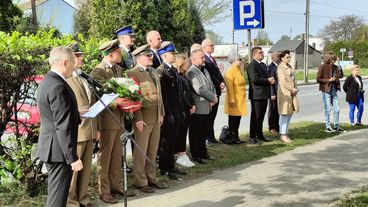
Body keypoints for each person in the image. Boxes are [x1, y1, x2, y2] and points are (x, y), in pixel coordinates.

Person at [36, 46, 83, 207]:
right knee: (57, 200)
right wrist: (72, 157)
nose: (74, 65)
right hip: (59, 152)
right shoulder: (58, 86)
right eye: (72, 62)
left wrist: (76, 113)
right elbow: (62, 126)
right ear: (64, 63)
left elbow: (54, 115)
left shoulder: (47, 81)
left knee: (57, 196)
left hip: (53, 148)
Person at [90, 39, 135, 204]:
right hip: (107, 120)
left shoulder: (118, 69)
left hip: (119, 119)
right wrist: (118, 102)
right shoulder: (98, 71)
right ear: (110, 53)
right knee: (105, 156)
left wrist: (129, 101)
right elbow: (98, 96)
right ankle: (104, 190)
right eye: (118, 52)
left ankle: (116, 186)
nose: (120, 54)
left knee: (117, 156)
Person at [127, 44, 167, 193]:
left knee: (152, 151)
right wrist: (138, 118)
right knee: (141, 152)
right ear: (139, 58)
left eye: (151, 55)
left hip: (156, 117)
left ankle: (152, 178)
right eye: (148, 56)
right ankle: (140, 181)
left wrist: (161, 113)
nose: (151, 58)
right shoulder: (132, 73)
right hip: (143, 119)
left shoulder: (153, 72)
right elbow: (134, 97)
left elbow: (159, 95)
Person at [66, 42, 98, 207]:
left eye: (80, 55)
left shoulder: (83, 77)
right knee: (74, 171)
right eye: (77, 56)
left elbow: (93, 104)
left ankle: (83, 199)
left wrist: (97, 128)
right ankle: (71, 202)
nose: (80, 58)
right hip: (77, 130)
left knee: (85, 169)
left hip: (90, 129)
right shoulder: (67, 79)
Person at [156, 41, 186, 179]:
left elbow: (179, 94)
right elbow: (163, 96)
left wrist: (181, 110)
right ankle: (164, 167)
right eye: (172, 54)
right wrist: (167, 113)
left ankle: (172, 166)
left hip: (177, 111)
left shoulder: (173, 70)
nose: (174, 55)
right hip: (169, 113)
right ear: (164, 56)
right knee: (166, 142)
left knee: (173, 141)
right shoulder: (161, 71)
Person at [187, 50, 217, 164]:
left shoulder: (204, 70)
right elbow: (199, 89)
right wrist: (212, 98)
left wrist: (213, 96)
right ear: (194, 59)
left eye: (204, 57)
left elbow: (211, 85)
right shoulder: (192, 72)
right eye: (201, 58)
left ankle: (204, 153)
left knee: (204, 132)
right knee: (196, 133)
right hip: (198, 107)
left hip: (207, 106)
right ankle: (196, 155)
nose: (204, 59)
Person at [247, 47, 275, 144]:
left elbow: (265, 77)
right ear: (254, 54)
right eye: (260, 52)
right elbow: (254, 79)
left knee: (261, 116)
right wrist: (267, 80)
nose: (262, 53)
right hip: (256, 95)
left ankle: (259, 134)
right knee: (256, 116)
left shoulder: (262, 64)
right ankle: (252, 135)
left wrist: (270, 80)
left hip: (263, 94)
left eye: (263, 52)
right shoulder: (252, 65)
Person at [173, 54, 196, 168]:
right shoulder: (177, 76)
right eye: (186, 63)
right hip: (182, 107)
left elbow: (189, 92)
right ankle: (180, 154)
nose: (188, 65)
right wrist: (189, 105)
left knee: (183, 131)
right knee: (181, 132)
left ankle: (183, 153)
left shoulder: (183, 76)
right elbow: (182, 95)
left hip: (187, 107)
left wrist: (193, 104)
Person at [202, 39, 225, 145]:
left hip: (217, 90)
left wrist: (222, 81)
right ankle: (207, 137)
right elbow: (209, 75)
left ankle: (211, 136)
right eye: (211, 45)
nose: (213, 46)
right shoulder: (204, 59)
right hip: (211, 91)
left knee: (213, 115)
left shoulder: (212, 59)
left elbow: (218, 73)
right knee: (209, 116)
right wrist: (218, 83)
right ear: (204, 46)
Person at [316, 53, 345, 132]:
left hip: (334, 89)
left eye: (335, 60)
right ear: (329, 59)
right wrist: (328, 80)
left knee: (337, 109)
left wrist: (339, 64)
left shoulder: (335, 67)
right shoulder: (323, 66)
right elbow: (318, 79)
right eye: (333, 59)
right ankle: (327, 126)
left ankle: (336, 126)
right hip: (326, 90)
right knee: (328, 109)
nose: (334, 61)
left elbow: (341, 75)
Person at [224, 53, 246, 144]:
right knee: (233, 120)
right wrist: (231, 99)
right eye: (239, 59)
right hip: (234, 100)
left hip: (240, 99)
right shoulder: (230, 71)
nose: (241, 61)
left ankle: (236, 137)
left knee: (237, 119)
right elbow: (229, 87)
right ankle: (232, 137)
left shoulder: (238, 70)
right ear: (234, 60)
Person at [277, 50, 299, 143]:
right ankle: (283, 134)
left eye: (289, 57)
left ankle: (286, 132)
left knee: (289, 113)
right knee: (284, 114)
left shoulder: (289, 66)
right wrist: (291, 89)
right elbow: (283, 82)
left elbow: (293, 79)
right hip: (285, 93)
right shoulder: (281, 68)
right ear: (282, 58)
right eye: (287, 57)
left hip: (291, 93)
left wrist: (295, 88)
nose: (289, 58)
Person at [268, 52, 281, 134]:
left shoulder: (279, 66)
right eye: (277, 56)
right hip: (274, 91)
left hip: (279, 91)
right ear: (273, 57)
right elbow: (271, 81)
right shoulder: (271, 67)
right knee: (272, 110)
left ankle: (277, 126)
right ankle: (271, 127)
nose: (279, 57)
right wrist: (272, 93)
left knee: (277, 110)